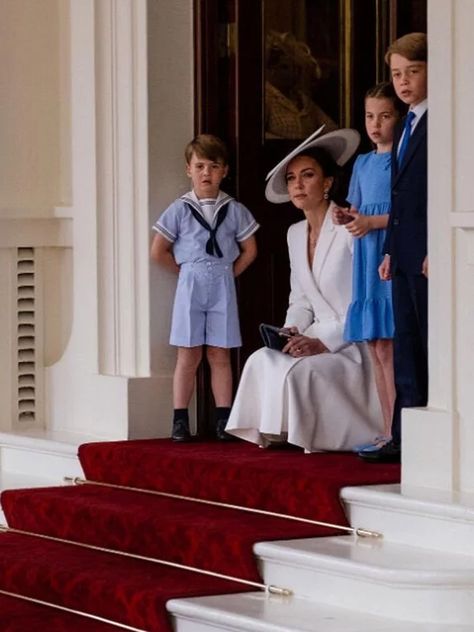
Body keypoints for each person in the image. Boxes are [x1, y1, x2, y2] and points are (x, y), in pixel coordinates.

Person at [225, 129, 384, 452]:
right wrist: (290, 332)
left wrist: (324, 342)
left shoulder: (349, 228)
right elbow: (299, 298)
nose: (297, 184)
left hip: (353, 343)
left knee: (303, 372)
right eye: (292, 177)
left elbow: (364, 296)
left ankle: (311, 434)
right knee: (261, 358)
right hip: (312, 333)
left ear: (327, 184)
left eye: (307, 175)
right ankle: (276, 431)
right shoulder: (294, 233)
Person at [150, 134, 259, 442]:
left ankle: (223, 419)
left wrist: (229, 273)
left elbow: (250, 249)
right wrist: (185, 272)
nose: (206, 173)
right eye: (199, 166)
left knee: (219, 352)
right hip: (191, 281)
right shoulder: (180, 209)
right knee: (188, 353)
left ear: (224, 170)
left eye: (214, 166)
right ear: (189, 170)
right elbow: (158, 250)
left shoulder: (234, 209)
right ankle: (180, 419)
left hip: (222, 280)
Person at [359, 33, 428, 463]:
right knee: (404, 346)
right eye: (396, 74)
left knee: (424, 343)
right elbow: (401, 196)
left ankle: (424, 438)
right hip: (400, 253)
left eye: (413, 72)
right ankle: (403, 435)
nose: (403, 82)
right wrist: (389, 249)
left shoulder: (442, 120)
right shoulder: (409, 124)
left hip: (425, 256)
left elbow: (439, 192)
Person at [333, 82, 404, 450]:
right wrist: (346, 216)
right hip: (366, 256)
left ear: (399, 117)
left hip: (387, 253)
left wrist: (370, 223)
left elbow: (405, 213)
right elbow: (360, 209)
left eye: (385, 116)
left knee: (389, 346)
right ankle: (385, 426)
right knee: (375, 346)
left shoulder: (403, 158)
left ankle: (398, 430)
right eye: (369, 116)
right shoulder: (362, 162)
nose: (375, 124)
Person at [265, 31, 337, 139]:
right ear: (270, 70)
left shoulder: (303, 100)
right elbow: (255, 135)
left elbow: (330, 129)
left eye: (296, 68)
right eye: (285, 67)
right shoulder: (265, 98)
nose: (293, 73)